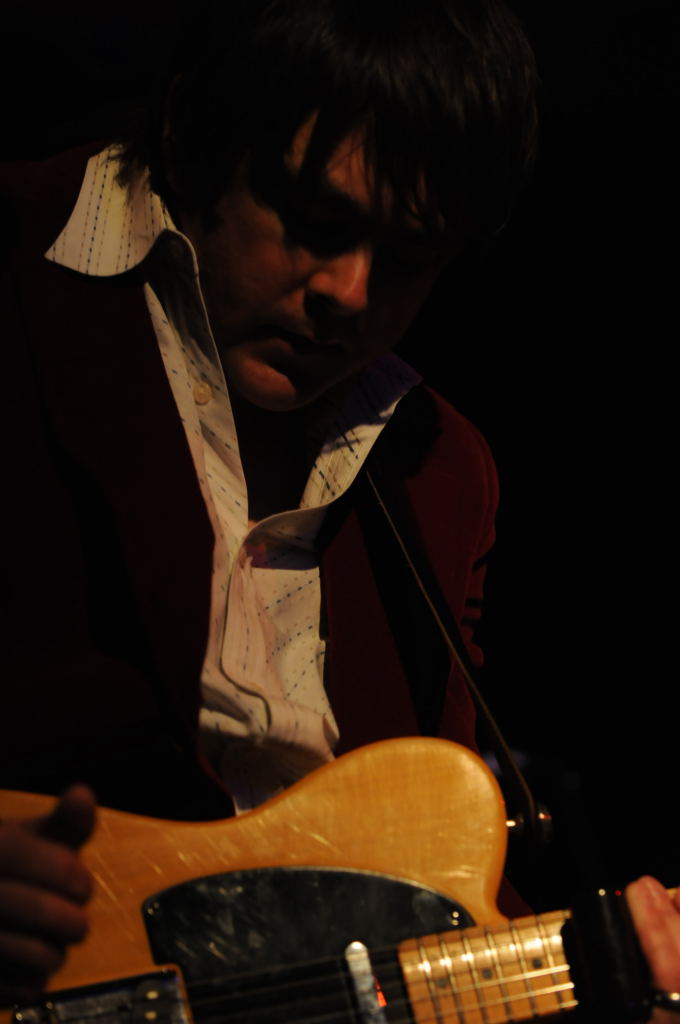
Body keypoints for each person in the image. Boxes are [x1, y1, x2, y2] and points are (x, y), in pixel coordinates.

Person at [0, 0, 677, 1016]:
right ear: (191, 134)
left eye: (408, 259)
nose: (351, 293)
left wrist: (604, 970)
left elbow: (433, 886)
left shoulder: (441, 473)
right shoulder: (13, 268)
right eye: (318, 224)